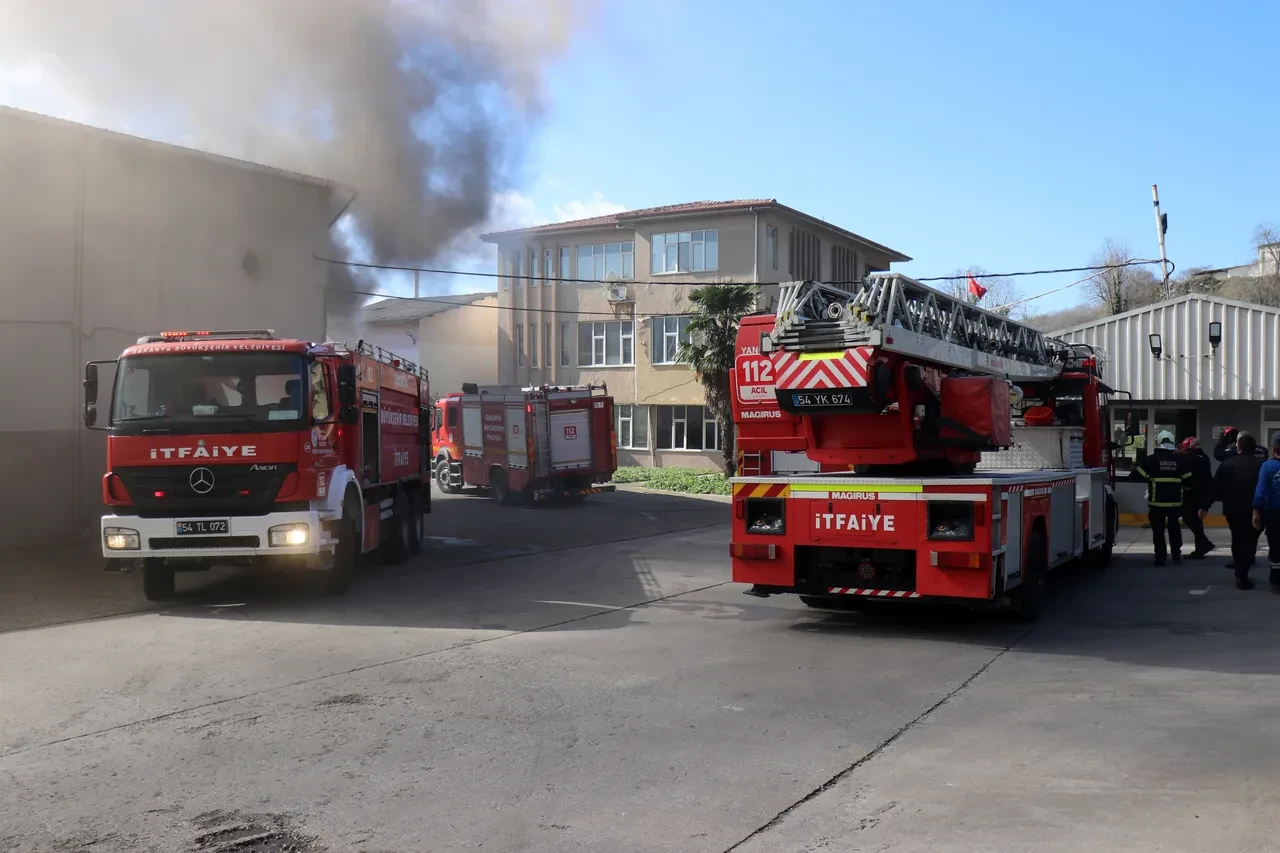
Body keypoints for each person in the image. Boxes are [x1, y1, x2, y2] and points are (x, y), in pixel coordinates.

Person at [1200, 431, 1265, 589]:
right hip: (1256, 511)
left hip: (1233, 510)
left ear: (1239, 448)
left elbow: (1215, 487)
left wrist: (1205, 506)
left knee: (1237, 538)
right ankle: (1242, 573)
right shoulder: (1263, 465)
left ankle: (1239, 569)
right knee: (1250, 541)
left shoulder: (1226, 465)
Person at [1130, 430, 1193, 565]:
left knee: (1158, 531)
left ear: (1159, 442)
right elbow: (1189, 482)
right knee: (1174, 528)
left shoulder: (1150, 460)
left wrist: (1148, 477)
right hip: (1175, 503)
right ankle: (1176, 555)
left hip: (1156, 503)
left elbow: (1135, 475)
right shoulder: (1180, 461)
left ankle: (1160, 558)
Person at [1177, 437, 1216, 558]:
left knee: (1188, 518)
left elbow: (1184, 465)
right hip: (1200, 493)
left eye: (1185, 450)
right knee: (1196, 521)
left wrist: (1179, 454)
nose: (1184, 452)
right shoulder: (1202, 457)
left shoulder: (1195, 458)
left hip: (1195, 494)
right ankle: (1200, 550)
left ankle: (1204, 544)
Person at [1253, 432, 1280, 595]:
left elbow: (1260, 492)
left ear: (1273, 449)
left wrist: (1256, 512)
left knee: (1276, 547)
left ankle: (1276, 581)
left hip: (1273, 514)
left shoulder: (1267, 467)